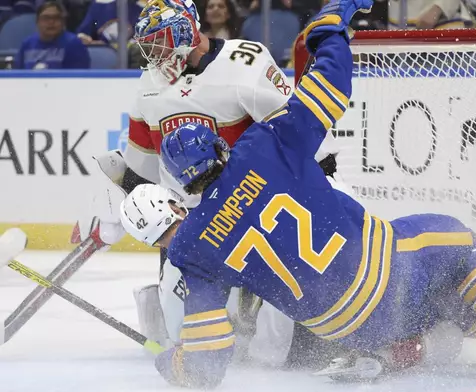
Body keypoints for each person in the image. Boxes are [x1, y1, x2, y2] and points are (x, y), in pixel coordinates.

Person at [118, 0, 476, 387]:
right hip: (385, 273)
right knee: (457, 241)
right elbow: (330, 87)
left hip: (341, 328)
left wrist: (174, 365)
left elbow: (208, 357)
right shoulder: (262, 146)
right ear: (219, 145)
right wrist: (328, 32)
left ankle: (399, 348)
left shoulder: (194, 250)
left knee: (429, 305)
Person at [73, 0, 349, 371]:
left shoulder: (244, 63)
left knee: (285, 346)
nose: (154, 54)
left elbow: (300, 133)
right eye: (148, 45)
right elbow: (142, 167)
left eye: (161, 41)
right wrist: (118, 208)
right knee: (177, 333)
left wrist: (325, 181)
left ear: (187, 30)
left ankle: (314, 331)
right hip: (191, 226)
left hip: (254, 209)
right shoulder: (149, 85)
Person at [13, 1, 90, 69]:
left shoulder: (74, 44)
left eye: (56, 18)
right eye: (46, 18)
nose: (51, 22)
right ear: (37, 22)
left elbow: (77, 79)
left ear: (63, 22)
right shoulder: (27, 44)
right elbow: (17, 75)